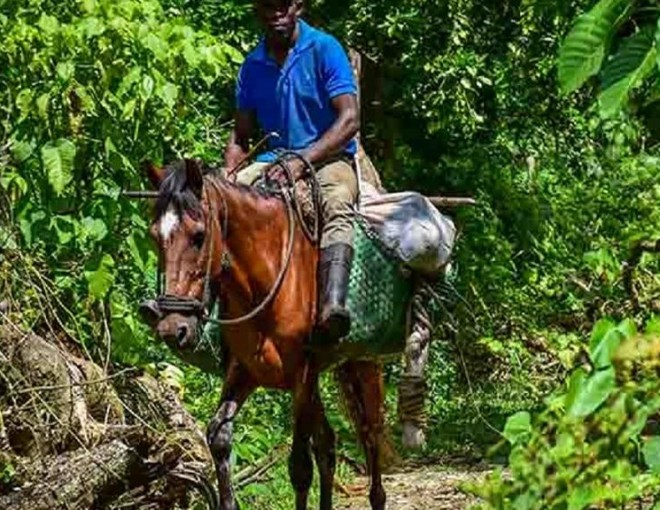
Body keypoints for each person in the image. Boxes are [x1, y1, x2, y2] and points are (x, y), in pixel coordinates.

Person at [224, 0, 360, 342]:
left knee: (338, 202)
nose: (275, 14)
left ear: (297, 6)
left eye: (282, 5)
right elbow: (241, 134)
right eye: (267, 7)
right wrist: (229, 174)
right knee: (216, 205)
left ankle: (332, 306)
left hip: (328, 158)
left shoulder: (324, 49)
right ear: (257, 11)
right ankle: (207, 311)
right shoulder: (252, 65)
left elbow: (349, 119)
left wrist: (302, 162)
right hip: (272, 161)